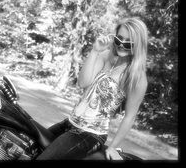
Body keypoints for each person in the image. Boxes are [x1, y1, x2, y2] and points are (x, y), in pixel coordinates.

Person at [36, 17, 148, 160]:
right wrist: (95, 51)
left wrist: (113, 146)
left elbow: (129, 116)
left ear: (138, 45)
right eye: (119, 39)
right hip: (69, 123)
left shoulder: (136, 77)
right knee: (31, 146)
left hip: (91, 134)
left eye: (128, 42)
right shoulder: (106, 56)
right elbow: (83, 83)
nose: (121, 45)